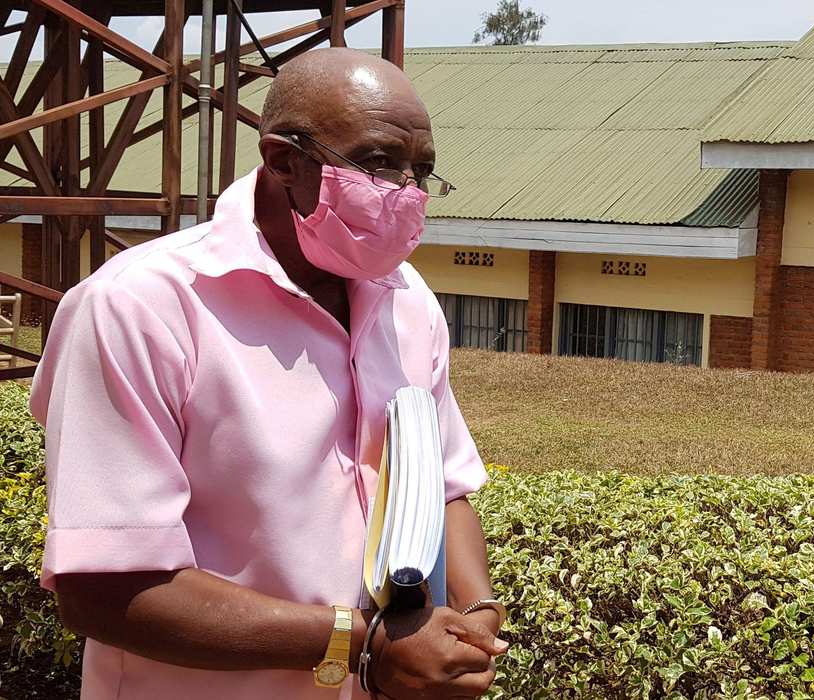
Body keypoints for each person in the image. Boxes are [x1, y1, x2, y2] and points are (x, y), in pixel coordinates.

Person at [30, 48, 507, 699]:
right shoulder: (139, 307)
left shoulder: (407, 301)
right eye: (378, 163)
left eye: (421, 171)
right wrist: (361, 642)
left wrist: (477, 615)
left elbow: (444, 487)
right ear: (284, 159)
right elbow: (105, 589)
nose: (407, 191)